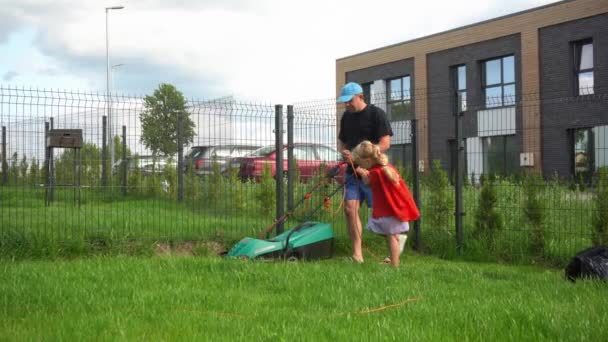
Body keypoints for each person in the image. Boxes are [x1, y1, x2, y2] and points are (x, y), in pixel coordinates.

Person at [337, 82, 393, 263]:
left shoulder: (377, 114)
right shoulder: (346, 117)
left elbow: (385, 143)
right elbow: (343, 143)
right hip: (353, 173)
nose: (346, 105)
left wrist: (363, 158)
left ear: (360, 97)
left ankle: (393, 250)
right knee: (349, 208)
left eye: (349, 101)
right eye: (344, 102)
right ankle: (357, 255)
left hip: (373, 173)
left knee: (381, 213)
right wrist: (345, 152)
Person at [352, 140, 420, 267]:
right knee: (385, 233)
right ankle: (397, 244)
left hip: (388, 211)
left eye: (360, 162)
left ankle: (395, 265)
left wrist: (361, 172)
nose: (360, 165)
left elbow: (367, 182)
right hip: (393, 209)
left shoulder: (375, 173)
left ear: (367, 161)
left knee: (390, 236)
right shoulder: (387, 168)